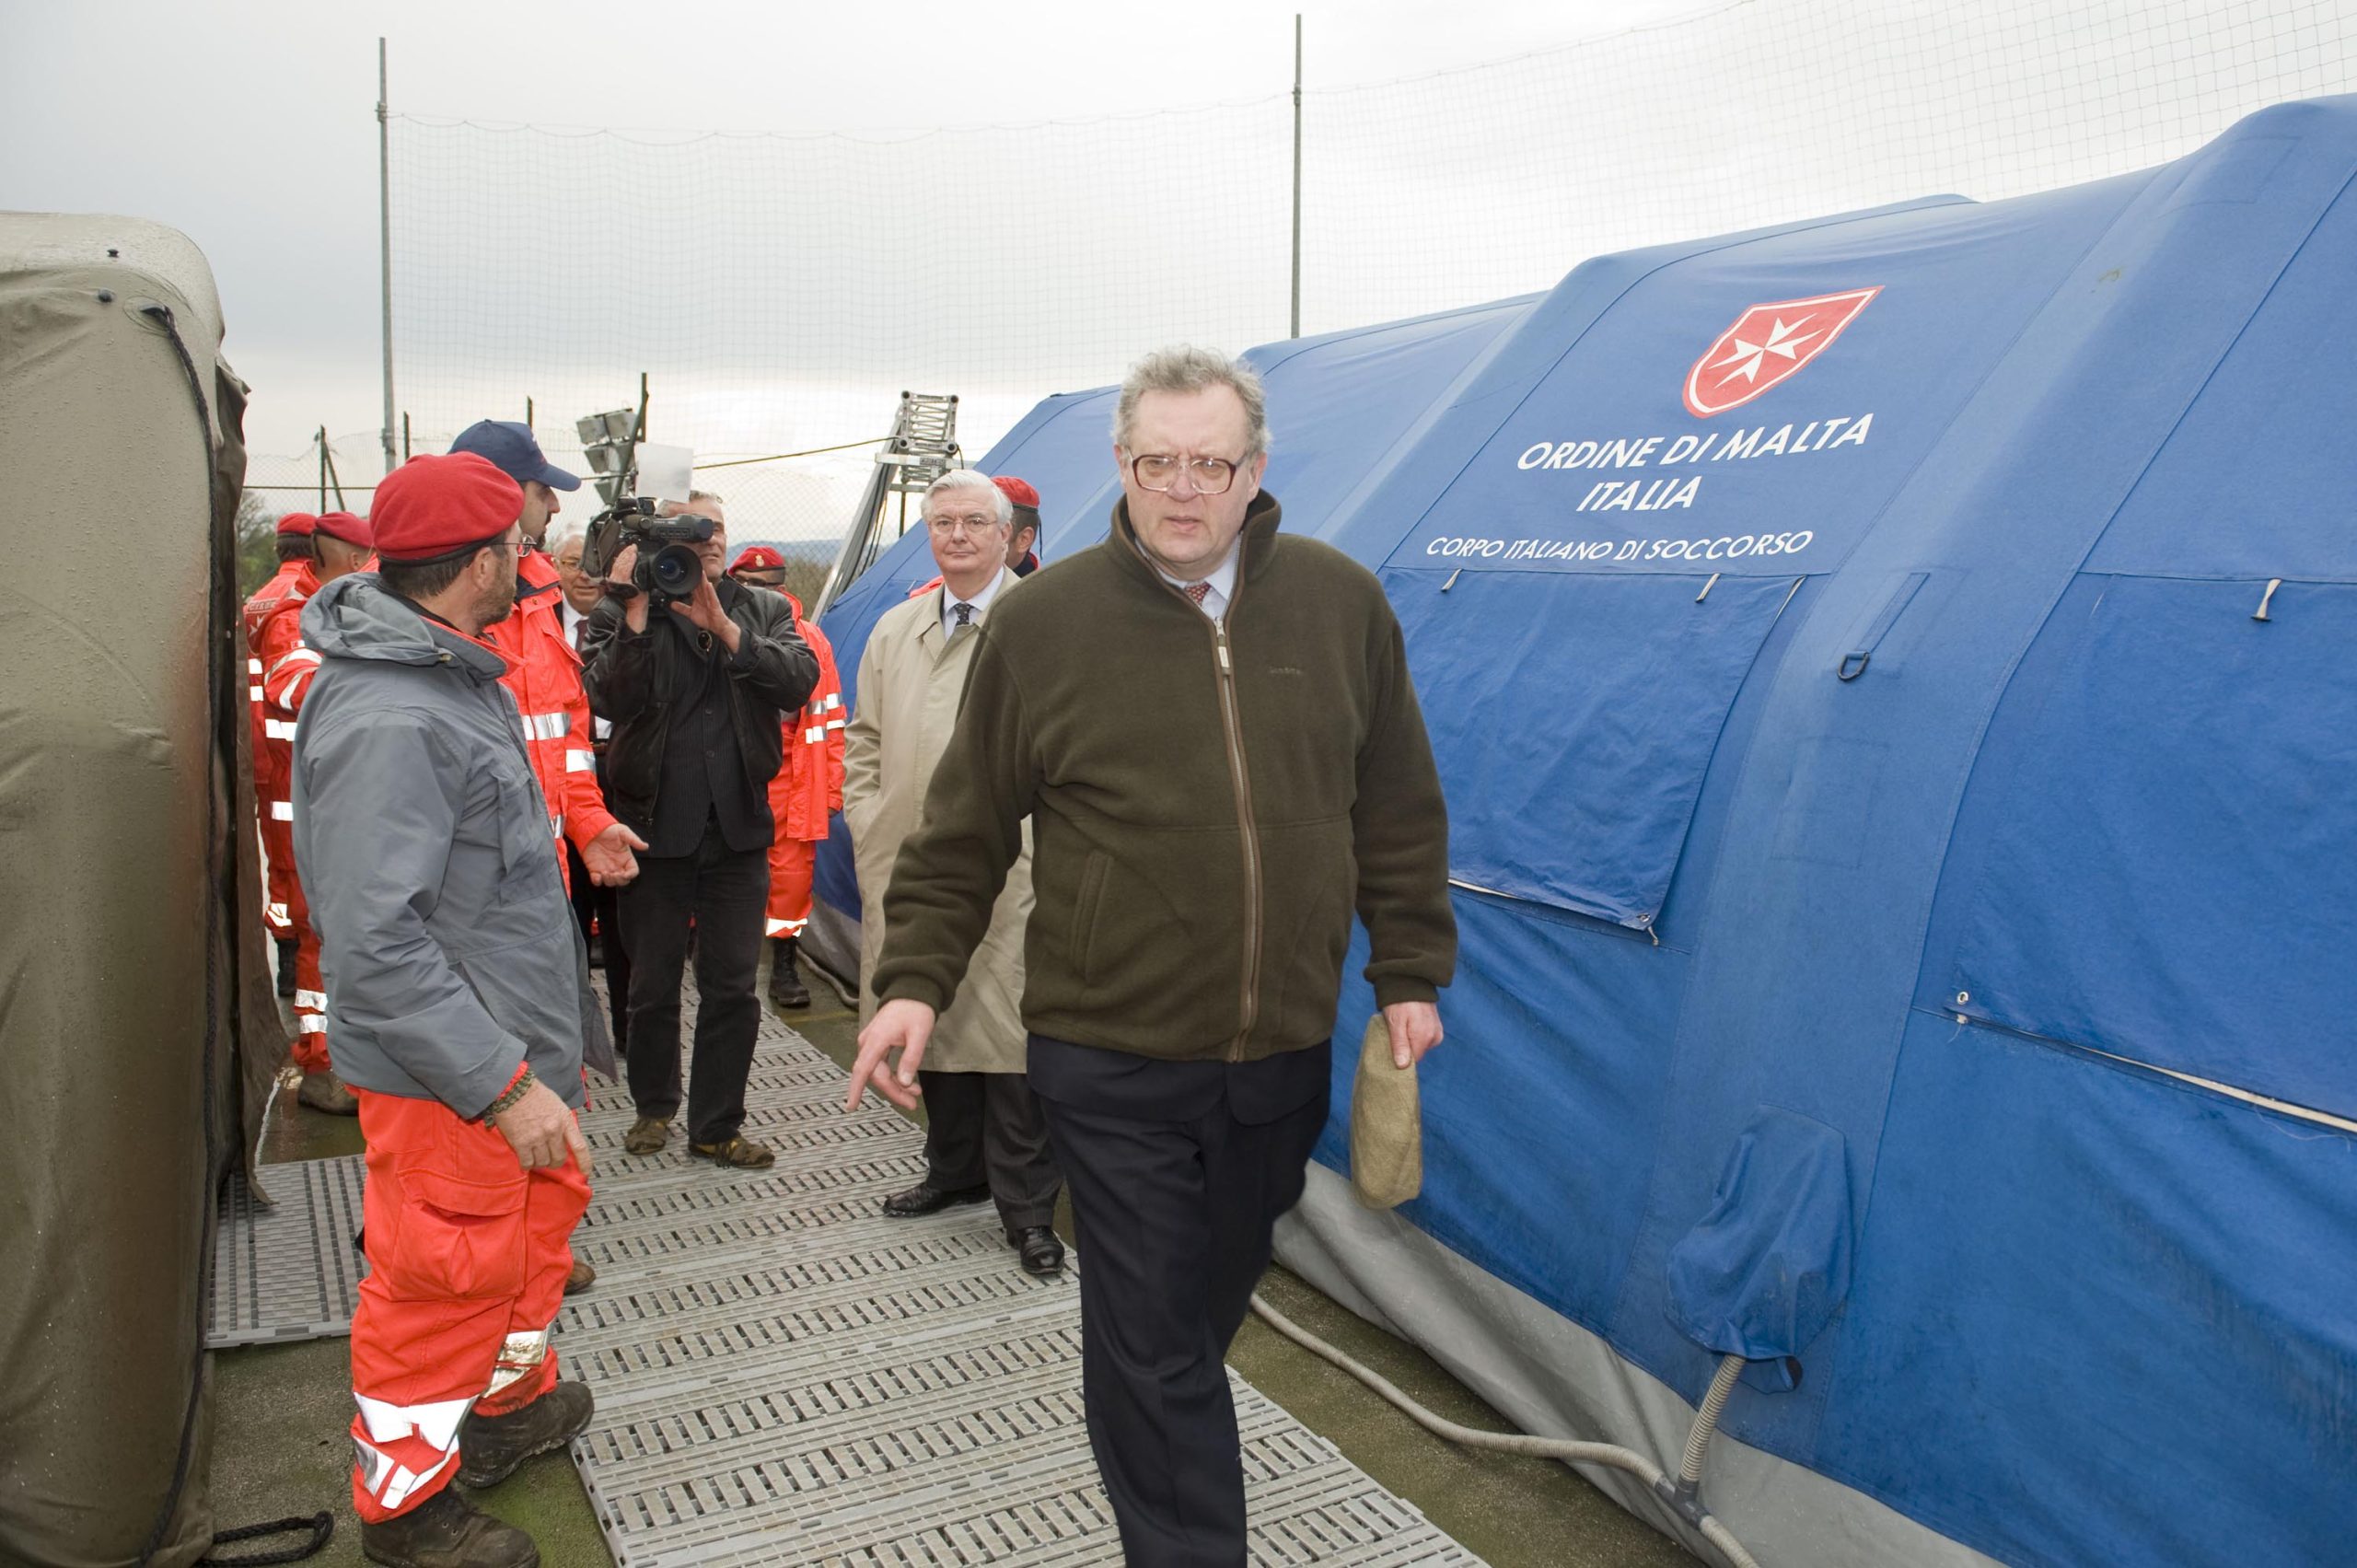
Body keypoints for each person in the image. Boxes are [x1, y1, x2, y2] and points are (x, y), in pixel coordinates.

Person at [848, 347, 1456, 1564]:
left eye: (1211, 462)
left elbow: (1396, 802)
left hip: (1277, 1052)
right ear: (1121, 467)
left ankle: (1151, 1401)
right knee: (1156, 1337)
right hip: (1104, 1053)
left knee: (1184, 1319)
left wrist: (1408, 972)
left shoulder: (1341, 604)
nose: (1185, 488)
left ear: (1255, 470)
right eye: (1159, 461)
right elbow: (962, 827)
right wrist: (913, 980)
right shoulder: (1045, 624)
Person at [292, 451, 603, 1568]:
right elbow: (378, 942)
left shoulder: (440, 675)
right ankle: (406, 1509)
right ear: (480, 563)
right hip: (453, 1076)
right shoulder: (395, 713)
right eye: (517, 545)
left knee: (524, 1246)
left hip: (501, 1049)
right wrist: (502, 1082)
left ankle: (509, 1408)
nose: (529, 558)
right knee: (440, 1281)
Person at [846, 471, 1063, 1277]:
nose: (958, 535)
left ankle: (1029, 1210)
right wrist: (869, 819)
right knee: (926, 1025)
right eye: (942, 522)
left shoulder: (1045, 627)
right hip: (908, 861)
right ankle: (953, 1172)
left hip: (1014, 871)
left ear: (1013, 537)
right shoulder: (894, 630)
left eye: (977, 521)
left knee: (1010, 1047)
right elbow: (862, 738)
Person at [581, 492, 819, 1168]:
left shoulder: (764, 607)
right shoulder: (620, 609)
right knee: (651, 984)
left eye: (713, 530)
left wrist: (728, 628)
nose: (705, 543)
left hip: (738, 829)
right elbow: (608, 700)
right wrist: (632, 614)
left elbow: (797, 679)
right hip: (654, 828)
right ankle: (654, 1107)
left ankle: (718, 1123)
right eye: (688, 534)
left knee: (733, 986)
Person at [253, 507, 376, 1115]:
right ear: (353, 561)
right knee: (318, 936)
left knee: (312, 928)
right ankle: (324, 1063)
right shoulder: (294, 613)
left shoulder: (279, 599)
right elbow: (296, 685)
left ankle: (330, 1051)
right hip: (304, 798)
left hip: (293, 790)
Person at [726, 545, 845, 1010]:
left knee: (792, 881)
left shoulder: (811, 640)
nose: (762, 594)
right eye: (753, 586)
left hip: (794, 775)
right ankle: (713, 955)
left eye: (770, 586)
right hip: (733, 771)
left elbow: (832, 720)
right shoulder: (713, 628)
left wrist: (830, 789)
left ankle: (785, 962)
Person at [242, 511, 319, 994]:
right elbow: (294, 684)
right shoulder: (299, 603)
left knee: (282, 861)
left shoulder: (262, 596)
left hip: (269, 750)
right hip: (298, 753)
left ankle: (289, 951)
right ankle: (297, 964)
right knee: (304, 861)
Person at [905, 473, 1042, 600]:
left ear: (1023, 539)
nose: (958, 535)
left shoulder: (1050, 607)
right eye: (945, 523)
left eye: (976, 523)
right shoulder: (921, 605)